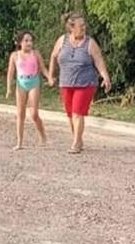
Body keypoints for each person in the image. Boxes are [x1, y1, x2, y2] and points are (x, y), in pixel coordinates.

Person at [48, 12, 112, 154]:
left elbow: (99, 61)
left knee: (77, 113)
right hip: (66, 82)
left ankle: (76, 143)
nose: (84, 28)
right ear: (71, 27)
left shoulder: (90, 43)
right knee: (71, 114)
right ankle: (78, 139)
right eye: (80, 26)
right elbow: (53, 56)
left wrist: (105, 77)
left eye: (84, 25)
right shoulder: (62, 40)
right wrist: (50, 75)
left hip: (86, 83)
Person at [6, 30, 50, 150]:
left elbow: (43, 68)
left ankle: (42, 136)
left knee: (34, 114)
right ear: (20, 42)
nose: (29, 43)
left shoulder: (36, 54)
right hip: (21, 84)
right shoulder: (15, 56)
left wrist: (49, 77)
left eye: (30, 40)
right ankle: (19, 142)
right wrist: (9, 87)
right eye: (26, 40)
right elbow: (10, 73)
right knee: (20, 114)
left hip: (33, 83)